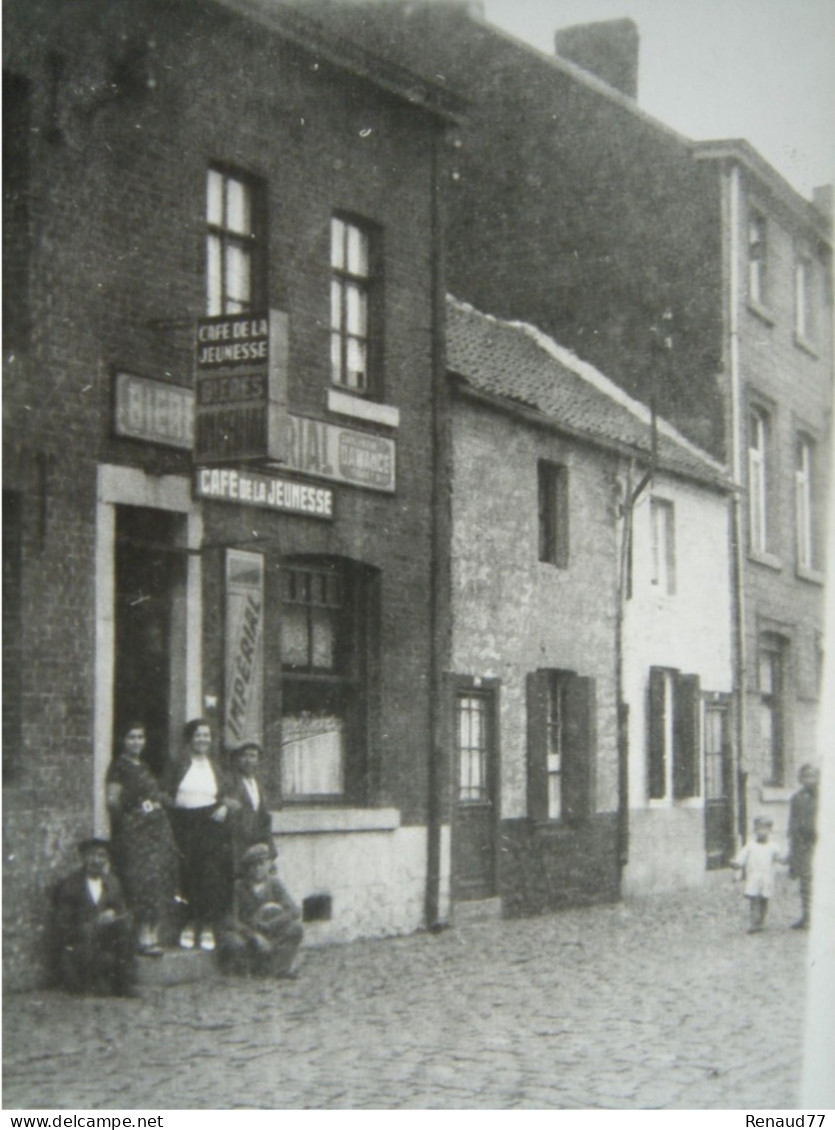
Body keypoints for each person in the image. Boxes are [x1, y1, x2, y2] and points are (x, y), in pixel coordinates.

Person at [164, 718, 239, 952]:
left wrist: (224, 807)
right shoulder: (178, 763)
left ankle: (206, 926)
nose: (203, 740)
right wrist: (174, 808)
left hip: (210, 824)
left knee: (209, 875)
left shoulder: (214, 767)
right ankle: (189, 924)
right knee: (187, 874)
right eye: (198, 735)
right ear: (190, 739)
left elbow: (230, 795)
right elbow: (162, 792)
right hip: (184, 824)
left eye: (206, 736)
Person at [106, 721, 178, 956]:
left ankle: (152, 935)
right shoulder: (119, 767)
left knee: (156, 880)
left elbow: (153, 794)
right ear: (122, 741)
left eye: (140, 737)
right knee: (140, 882)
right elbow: (113, 800)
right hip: (135, 833)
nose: (136, 742)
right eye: (131, 738)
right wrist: (128, 822)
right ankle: (141, 938)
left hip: (154, 831)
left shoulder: (144, 766)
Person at [52, 838, 138, 996]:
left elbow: (122, 910)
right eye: (91, 855)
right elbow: (63, 925)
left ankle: (124, 984)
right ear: (83, 858)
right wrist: (93, 922)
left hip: (105, 939)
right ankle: (89, 983)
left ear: (107, 860)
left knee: (125, 929)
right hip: (80, 942)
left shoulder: (112, 882)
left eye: (101, 856)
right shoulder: (71, 885)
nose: (96, 860)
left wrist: (115, 914)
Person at [218, 843, 303, 978]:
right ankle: (249, 969)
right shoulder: (239, 888)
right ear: (247, 868)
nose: (258, 869)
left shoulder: (275, 884)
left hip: (270, 932)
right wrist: (252, 935)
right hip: (248, 934)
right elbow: (230, 918)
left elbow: (294, 911)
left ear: (269, 864)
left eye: (261, 863)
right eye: (253, 865)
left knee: (296, 928)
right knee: (234, 942)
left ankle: (279, 968)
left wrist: (271, 924)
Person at [731, 816, 786, 934]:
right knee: (754, 899)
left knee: (764, 900)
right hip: (754, 877)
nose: (762, 832)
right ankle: (755, 923)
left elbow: (778, 859)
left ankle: (761, 921)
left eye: (765, 829)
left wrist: (785, 859)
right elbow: (741, 858)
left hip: (767, 878)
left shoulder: (773, 847)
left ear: (770, 830)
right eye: (759, 829)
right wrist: (736, 864)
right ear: (754, 830)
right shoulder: (750, 846)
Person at [226, 742, 274, 871]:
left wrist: (270, 852)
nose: (248, 761)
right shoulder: (230, 783)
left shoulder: (259, 784)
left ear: (258, 760)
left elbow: (264, 818)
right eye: (244, 756)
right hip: (237, 846)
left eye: (253, 756)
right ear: (237, 759)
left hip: (257, 846)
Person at [788, 763, 819, 930]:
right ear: (800, 779)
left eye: (813, 776)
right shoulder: (797, 799)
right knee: (807, 882)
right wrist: (795, 849)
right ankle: (807, 916)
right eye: (805, 776)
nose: (809, 780)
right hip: (805, 845)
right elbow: (793, 825)